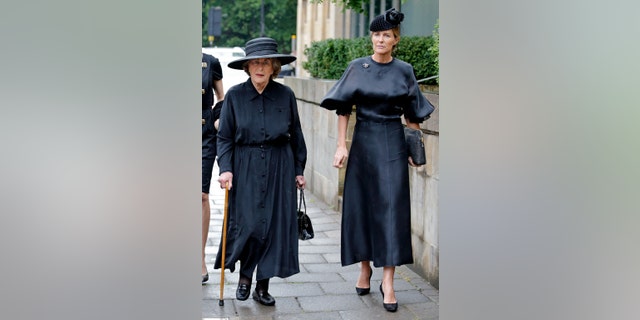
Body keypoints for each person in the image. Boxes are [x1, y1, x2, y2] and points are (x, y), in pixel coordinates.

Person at [319, 8, 434, 312]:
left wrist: (415, 149)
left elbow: (413, 114)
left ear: (395, 40)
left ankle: (389, 282)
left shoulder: (404, 70)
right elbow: (342, 107)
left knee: (392, 210)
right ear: (371, 37)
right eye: (376, 34)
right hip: (363, 141)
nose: (380, 39)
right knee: (361, 206)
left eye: (387, 35)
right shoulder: (358, 67)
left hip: (392, 142)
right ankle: (364, 267)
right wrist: (341, 146)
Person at [213, 37, 307, 306]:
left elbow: (296, 133)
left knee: (273, 227)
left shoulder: (285, 95)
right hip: (246, 165)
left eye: (265, 62)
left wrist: (299, 168)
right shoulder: (235, 96)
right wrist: (226, 169)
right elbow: (225, 137)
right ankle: (245, 277)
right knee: (250, 225)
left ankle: (262, 286)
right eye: (255, 62)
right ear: (247, 67)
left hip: (280, 164)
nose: (260, 67)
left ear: (274, 66)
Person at [202, 52, 224, 284]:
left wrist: (218, 119)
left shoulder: (210, 62)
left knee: (200, 196)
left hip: (203, 134)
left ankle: (199, 258)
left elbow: (221, 97)